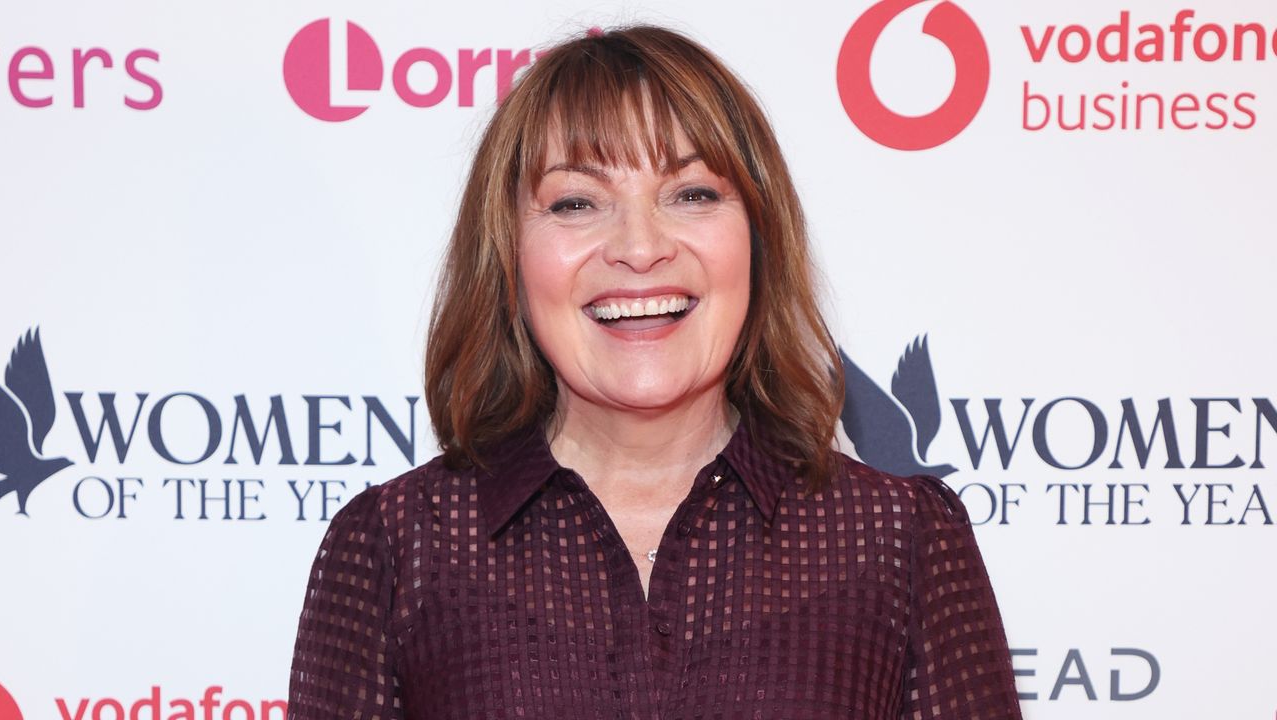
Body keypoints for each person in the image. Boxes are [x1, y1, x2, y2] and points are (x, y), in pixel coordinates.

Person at [287, 23, 1022, 720]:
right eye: (576, 202)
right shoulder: (396, 547)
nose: (640, 248)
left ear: (759, 239)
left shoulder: (897, 538)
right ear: (508, 259)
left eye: (692, 194)